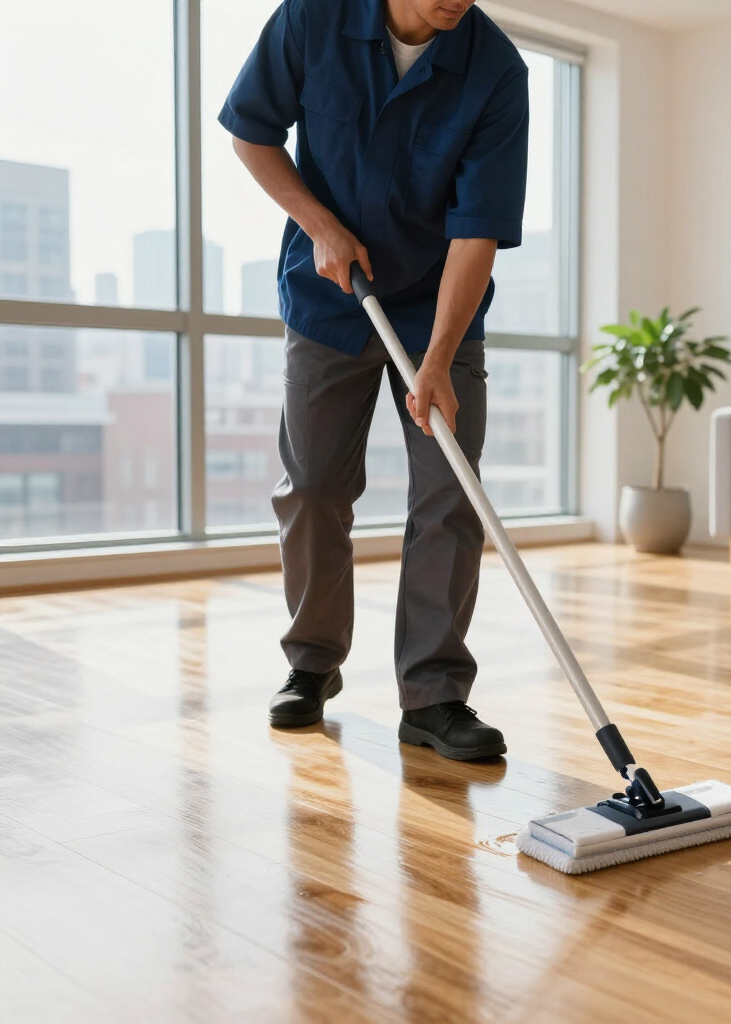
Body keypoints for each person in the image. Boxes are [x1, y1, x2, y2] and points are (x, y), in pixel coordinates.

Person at [219, 0, 529, 758]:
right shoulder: (311, 20)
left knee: (450, 491)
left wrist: (438, 359)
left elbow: (478, 226)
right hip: (329, 297)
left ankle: (434, 696)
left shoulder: (495, 70)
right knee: (317, 484)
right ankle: (312, 666)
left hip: (438, 308)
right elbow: (251, 132)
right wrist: (319, 224)